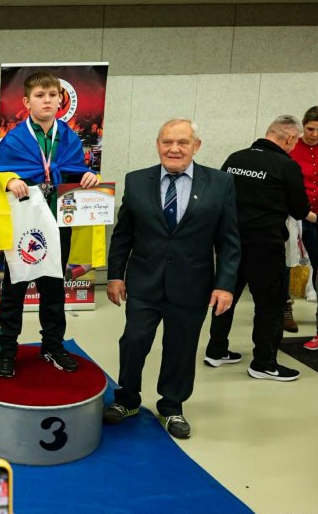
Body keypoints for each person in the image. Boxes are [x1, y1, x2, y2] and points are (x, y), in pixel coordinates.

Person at [104, 119, 240, 440]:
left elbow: (229, 240)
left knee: (181, 347)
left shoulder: (220, 183)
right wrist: (115, 276)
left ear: (196, 146)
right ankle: (127, 399)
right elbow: (123, 235)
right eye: (167, 142)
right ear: (158, 145)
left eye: (182, 142)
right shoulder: (137, 180)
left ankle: (171, 406)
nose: (174, 149)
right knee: (134, 341)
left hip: (192, 284)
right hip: (144, 281)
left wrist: (225, 285)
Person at [0, 72, 98, 378]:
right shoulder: (15, 138)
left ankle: (52, 346)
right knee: (14, 290)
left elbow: (76, 172)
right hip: (25, 226)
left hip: (59, 224)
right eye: (40, 96)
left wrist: (88, 176)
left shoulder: (69, 137)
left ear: (60, 100)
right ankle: (6, 348)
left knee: (54, 290)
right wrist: (8, 180)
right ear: (27, 102)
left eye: (52, 95)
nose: (47, 101)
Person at [204, 116, 314, 381]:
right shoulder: (286, 165)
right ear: (290, 138)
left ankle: (216, 350)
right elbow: (300, 209)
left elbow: (219, 196)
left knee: (226, 296)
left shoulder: (235, 158)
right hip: (265, 246)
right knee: (269, 304)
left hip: (231, 243)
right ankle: (264, 362)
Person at [289, 106, 318, 350]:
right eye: (310, 129)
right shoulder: (292, 148)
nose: (315, 134)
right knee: (289, 263)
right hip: (299, 216)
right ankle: (284, 307)